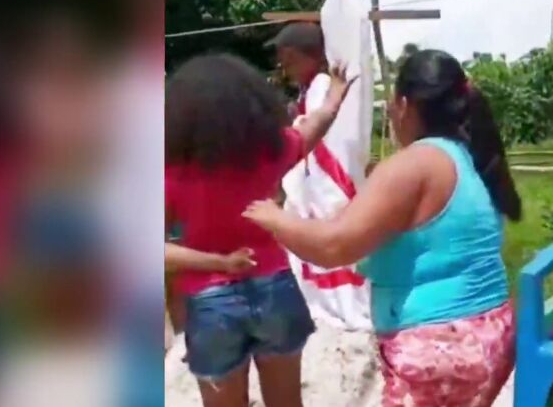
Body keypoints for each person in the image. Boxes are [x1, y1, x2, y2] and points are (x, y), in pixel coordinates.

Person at [244, 49, 521, 407]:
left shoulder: (413, 165)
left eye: (390, 104)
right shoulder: (465, 156)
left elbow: (332, 248)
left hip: (441, 345)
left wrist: (273, 217)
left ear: (404, 105)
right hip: (489, 333)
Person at [165, 53, 354, 407]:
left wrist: (219, 264)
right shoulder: (268, 153)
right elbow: (311, 129)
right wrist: (334, 96)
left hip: (210, 301)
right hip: (274, 287)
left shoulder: (171, 173)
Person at [269, 21, 372, 329]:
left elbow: (322, 135)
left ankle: (342, 308)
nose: (284, 68)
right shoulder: (311, 90)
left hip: (328, 179)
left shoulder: (323, 86)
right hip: (313, 178)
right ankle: (324, 305)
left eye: (287, 60)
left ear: (300, 55)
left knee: (331, 244)